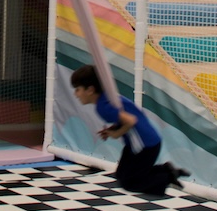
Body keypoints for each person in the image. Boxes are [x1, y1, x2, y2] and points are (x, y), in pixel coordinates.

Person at [70, 64, 187, 195]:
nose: (75, 94)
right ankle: (165, 171)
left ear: (90, 90)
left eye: (77, 89)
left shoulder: (103, 108)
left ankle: (167, 176)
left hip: (145, 146)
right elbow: (124, 117)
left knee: (130, 183)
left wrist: (115, 134)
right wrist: (112, 129)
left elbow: (131, 120)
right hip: (141, 142)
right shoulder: (107, 98)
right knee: (121, 175)